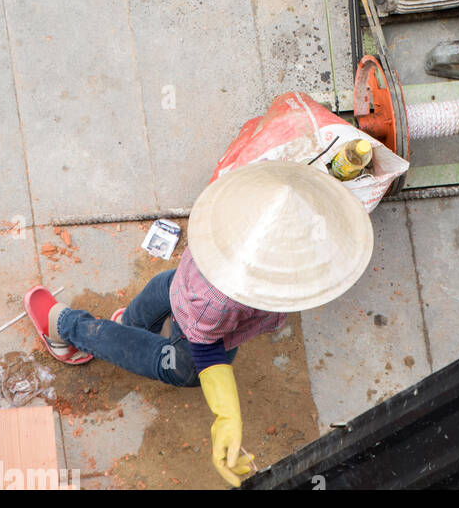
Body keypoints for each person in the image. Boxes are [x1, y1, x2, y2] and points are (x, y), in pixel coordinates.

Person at [25, 162, 374, 487]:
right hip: (205, 312)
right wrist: (227, 415)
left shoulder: (267, 186)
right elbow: (205, 348)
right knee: (180, 367)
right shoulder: (220, 303)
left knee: (167, 287)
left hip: (188, 280)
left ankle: (130, 321)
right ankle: (67, 327)